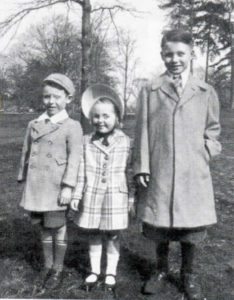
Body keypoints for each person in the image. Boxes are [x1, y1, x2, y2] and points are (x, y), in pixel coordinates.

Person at [133, 29, 221, 300]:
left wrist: (205, 151)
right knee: (160, 225)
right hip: (159, 169)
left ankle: (188, 274)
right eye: (169, 54)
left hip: (193, 172)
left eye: (181, 53)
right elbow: (142, 131)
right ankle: (160, 270)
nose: (175, 59)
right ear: (162, 55)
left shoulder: (205, 91)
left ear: (191, 54)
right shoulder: (150, 90)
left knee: (191, 227)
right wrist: (142, 166)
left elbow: (213, 129)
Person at [17, 73, 83, 290]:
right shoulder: (34, 124)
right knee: (44, 228)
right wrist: (23, 177)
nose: (51, 102)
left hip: (56, 187)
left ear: (68, 98)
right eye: (47, 97)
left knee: (58, 227)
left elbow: (75, 158)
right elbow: (27, 153)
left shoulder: (71, 126)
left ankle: (58, 268)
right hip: (37, 185)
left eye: (57, 97)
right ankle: (47, 265)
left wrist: (68, 186)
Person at [70, 84, 135, 294]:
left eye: (106, 116)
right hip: (92, 195)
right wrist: (77, 194)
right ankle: (95, 270)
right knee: (94, 234)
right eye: (96, 117)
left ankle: (111, 272)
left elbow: (131, 172)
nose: (101, 121)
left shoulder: (127, 142)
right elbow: (80, 171)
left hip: (116, 197)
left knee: (113, 235)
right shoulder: (86, 142)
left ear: (117, 117)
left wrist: (132, 199)